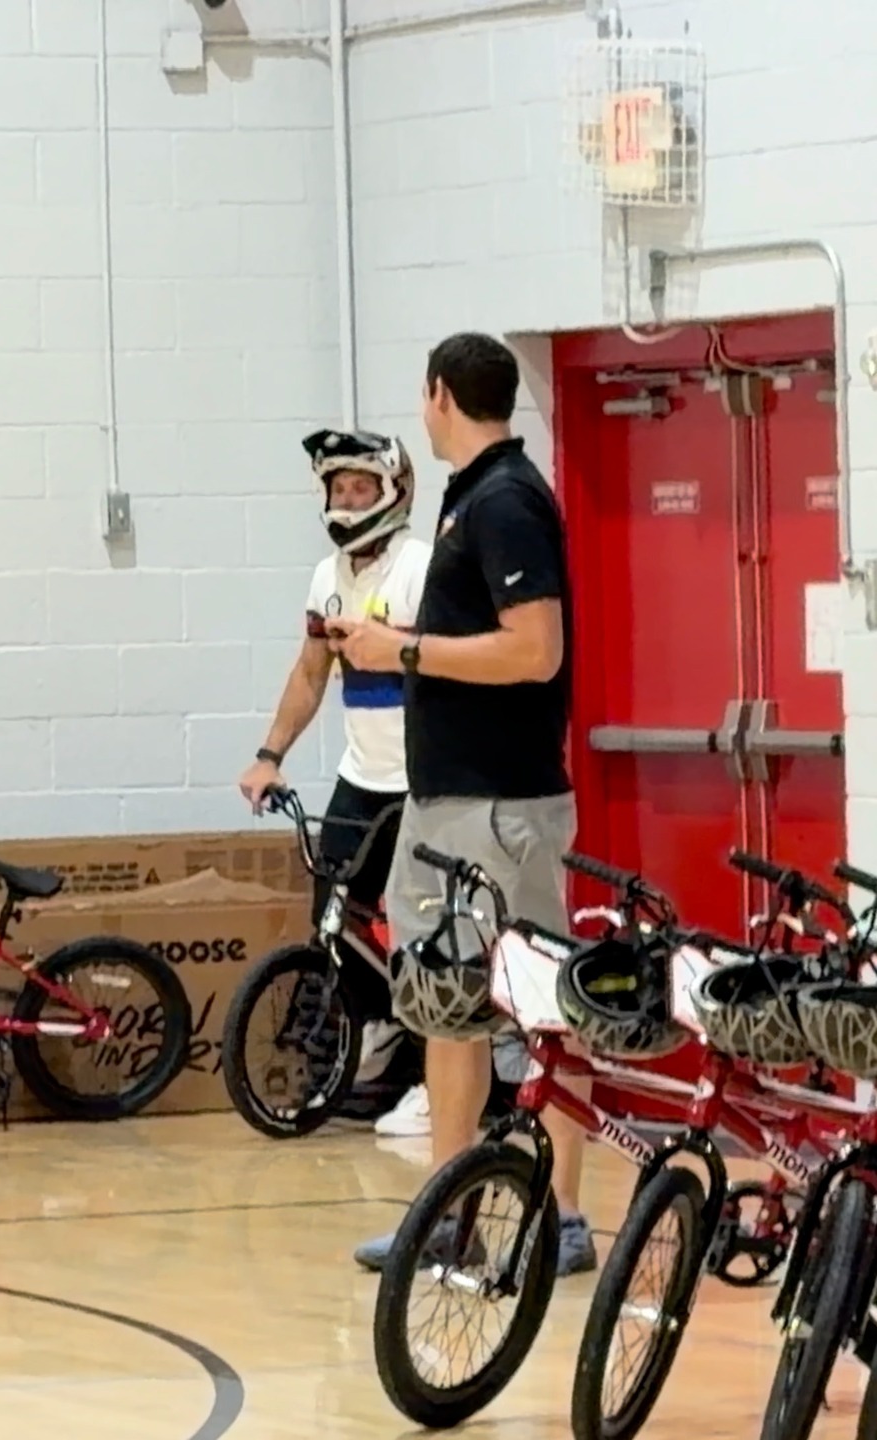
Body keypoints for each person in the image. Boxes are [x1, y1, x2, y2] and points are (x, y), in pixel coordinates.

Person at [326, 332, 596, 1279]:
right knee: (446, 1004)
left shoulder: (509, 501)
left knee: (542, 1005)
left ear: (438, 393)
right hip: (451, 804)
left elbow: (536, 651)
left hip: (502, 805)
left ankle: (562, 1214)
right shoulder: (471, 496)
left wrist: (401, 651)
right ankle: (450, 1212)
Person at [238, 426, 432, 1095]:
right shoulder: (328, 577)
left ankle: (438, 1075)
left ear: (393, 491)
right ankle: (371, 1036)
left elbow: (458, 663)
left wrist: (394, 643)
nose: (347, 501)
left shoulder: (421, 567)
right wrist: (269, 755)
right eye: (338, 488)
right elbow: (311, 673)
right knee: (336, 916)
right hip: (361, 777)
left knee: (422, 926)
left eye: (360, 487)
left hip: (424, 783)